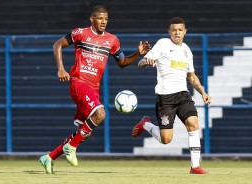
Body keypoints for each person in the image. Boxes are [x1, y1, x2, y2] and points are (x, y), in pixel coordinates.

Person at [39, 5, 150, 174]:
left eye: (106, 19)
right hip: (79, 82)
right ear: (92, 19)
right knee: (100, 114)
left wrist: (137, 53)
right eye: (100, 18)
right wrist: (61, 69)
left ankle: (49, 157)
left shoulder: (112, 40)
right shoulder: (80, 33)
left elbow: (122, 63)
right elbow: (57, 45)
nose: (103, 22)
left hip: (93, 88)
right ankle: (71, 147)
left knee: (84, 132)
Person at [131, 17, 211, 174]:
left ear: (185, 32)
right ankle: (146, 124)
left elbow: (192, 77)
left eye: (180, 30)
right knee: (166, 139)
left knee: (193, 123)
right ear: (169, 32)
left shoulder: (187, 50)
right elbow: (141, 63)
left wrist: (203, 92)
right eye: (174, 30)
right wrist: (146, 62)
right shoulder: (162, 44)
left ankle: (195, 166)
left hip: (183, 95)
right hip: (165, 97)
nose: (177, 32)